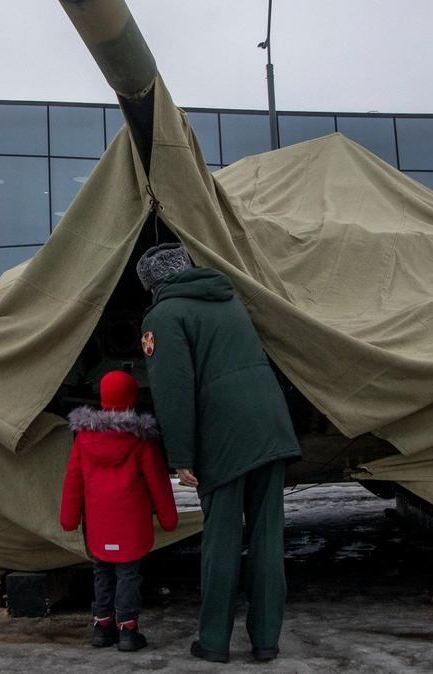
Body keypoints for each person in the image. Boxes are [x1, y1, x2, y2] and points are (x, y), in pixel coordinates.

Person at [135, 243, 302, 664]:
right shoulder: (227, 299)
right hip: (270, 426)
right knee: (267, 538)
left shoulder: (163, 316)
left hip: (224, 437)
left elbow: (173, 393)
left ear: (152, 285)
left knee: (222, 542)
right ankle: (266, 641)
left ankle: (213, 642)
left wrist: (182, 456)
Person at [60, 369, 179, 652]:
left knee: (102, 571)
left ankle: (102, 627)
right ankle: (128, 630)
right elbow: (157, 481)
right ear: (131, 399)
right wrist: (168, 517)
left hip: (99, 522)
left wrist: (68, 518)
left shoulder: (83, 437)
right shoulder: (140, 439)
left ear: (102, 398)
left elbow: (73, 480)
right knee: (128, 574)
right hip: (131, 522)